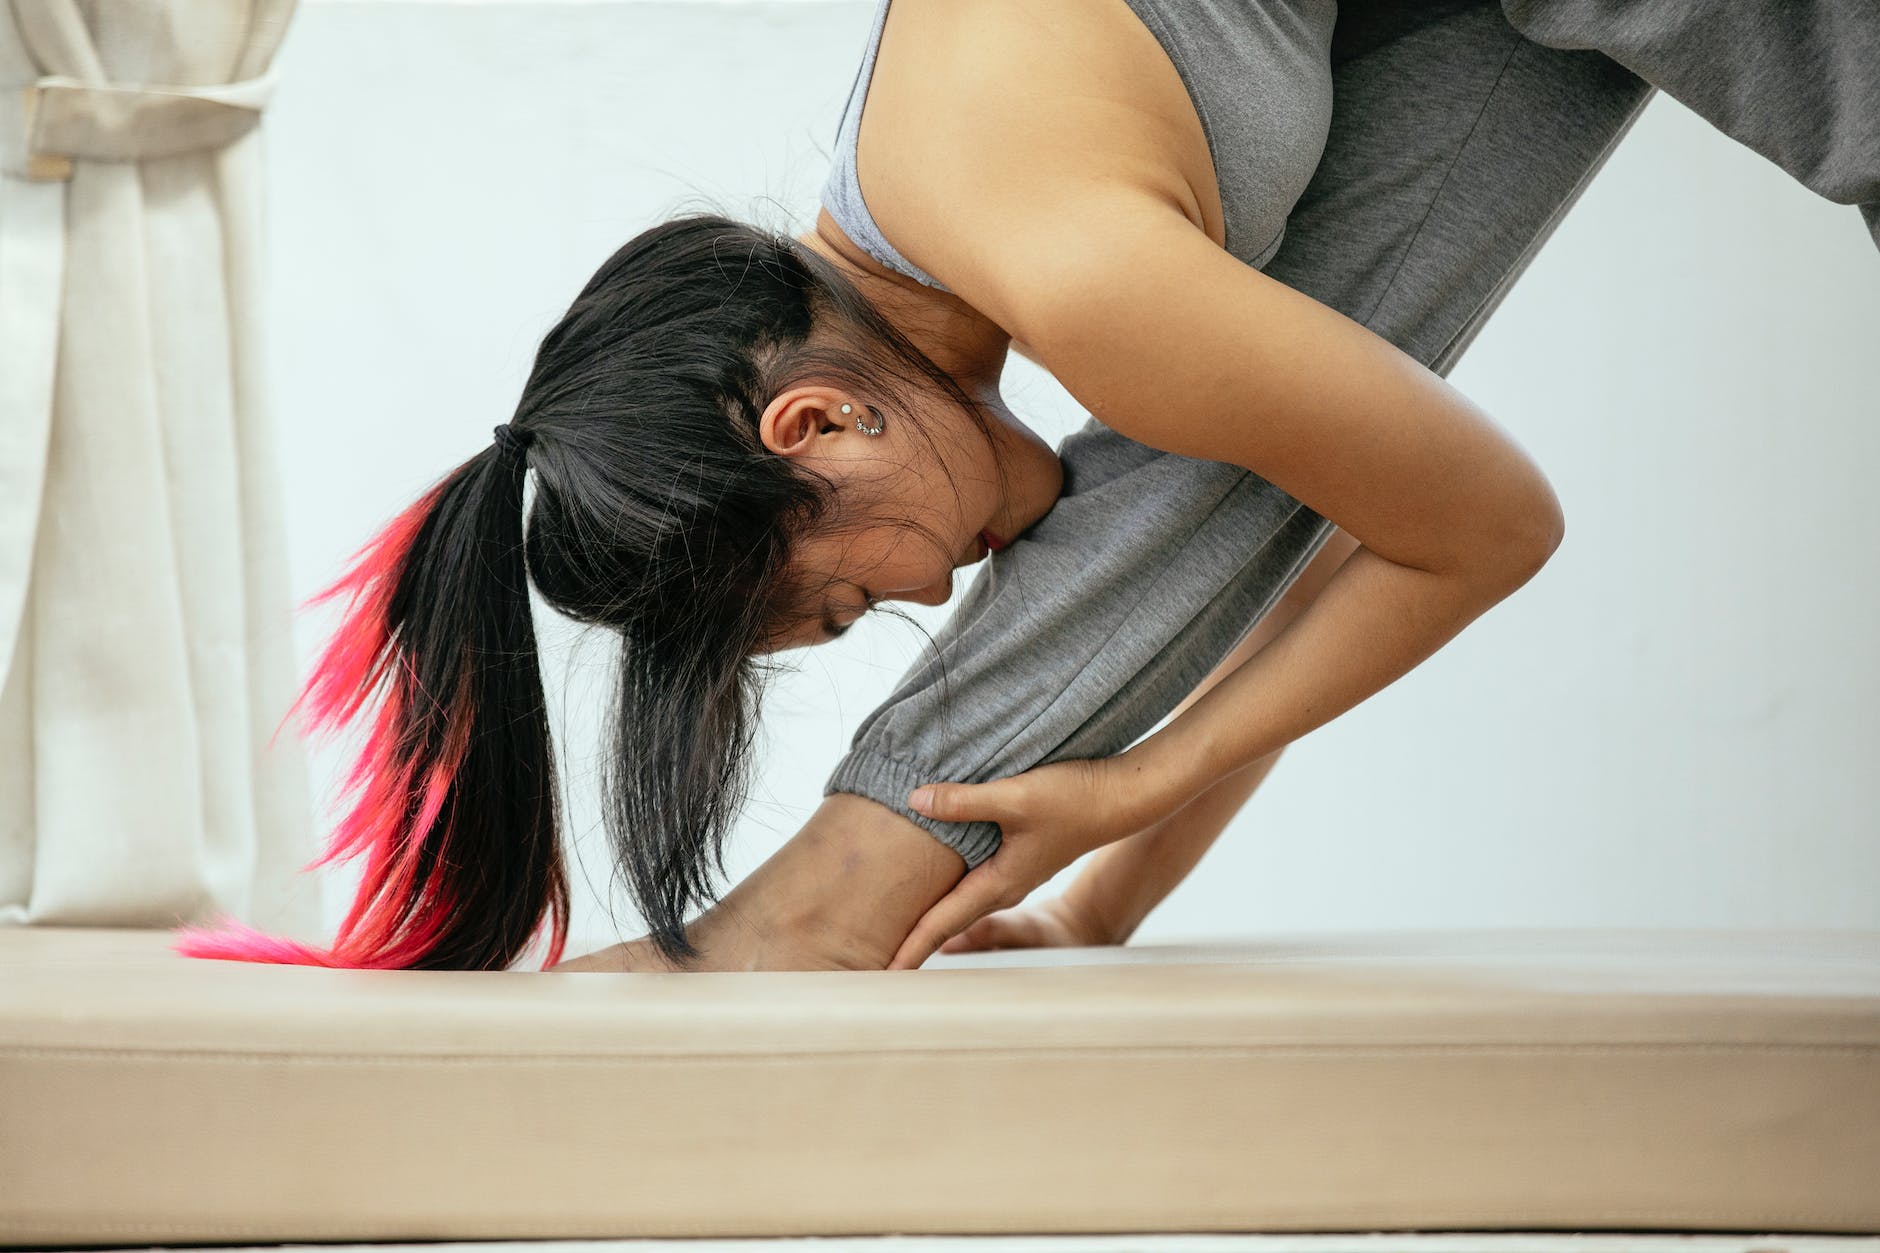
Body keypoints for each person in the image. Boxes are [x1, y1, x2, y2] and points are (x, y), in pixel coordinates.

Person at [175, 0, 1877, 973]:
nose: (917, 602)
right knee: (1276, 436)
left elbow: (1489, 522)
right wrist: (1086, 907)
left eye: (842, 593)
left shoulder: (1084, 277)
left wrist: (1140, 778)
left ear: (817, 429)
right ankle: (870, 863)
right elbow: (1310, 513)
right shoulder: (929, 198)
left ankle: (859, 868)